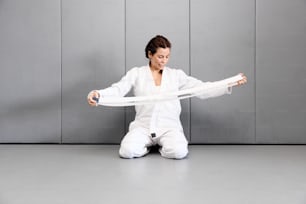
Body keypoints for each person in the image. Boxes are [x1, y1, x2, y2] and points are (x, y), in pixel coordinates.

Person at [87, 35, 247, 159]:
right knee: (127, 152)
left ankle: (164, 145)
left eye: (167, 56)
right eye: (160, 56)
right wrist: (99, 95)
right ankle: (147, 146)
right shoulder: (136, 73)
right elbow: (118, 89)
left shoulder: (176, 75)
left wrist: (229, 83)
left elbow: (202, 89)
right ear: (150, 54)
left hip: (169, 127)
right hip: (143, 127)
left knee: (178, 152)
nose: (164, 61)